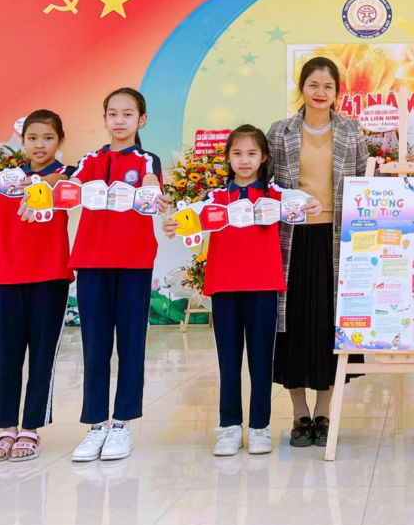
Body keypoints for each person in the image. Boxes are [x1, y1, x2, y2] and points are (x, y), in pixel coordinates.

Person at [164, 126, 318, 456]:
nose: (244, 160)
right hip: (224, 288)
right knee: (228, 360)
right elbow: (185, 218)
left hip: (264, 287)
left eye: (251, 154)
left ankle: (260, 427)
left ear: (263, 158)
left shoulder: (274, 194)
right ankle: (230, 427)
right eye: (237, 154)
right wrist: (173, 222)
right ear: (228, 158)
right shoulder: (214, 199)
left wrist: (310, 203)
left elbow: (301, 200)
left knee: (261, 361)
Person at [268, 57, 369, 448]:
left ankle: (324, 412)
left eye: (328, 86)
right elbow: (266, 184)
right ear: (302, 88)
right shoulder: (280, 131)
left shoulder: (351, 131)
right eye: (313, 84)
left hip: (337, 242)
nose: (320, 92)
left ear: (337, 91)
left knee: (330, 326)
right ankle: (299, 414)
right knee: (291, 326)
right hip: (291, 241)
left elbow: (363, 185)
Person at [68, 87, 169, 462]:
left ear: (141, 120)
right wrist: (39, 192)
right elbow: (68, 186)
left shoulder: (146, 160)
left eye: (128, 114)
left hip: (134, 263)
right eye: (113, 113)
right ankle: (96, 425)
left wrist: (152, 190)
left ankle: (122, 424)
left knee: (130, 344)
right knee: (94, 345)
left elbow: (151, 183)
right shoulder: (90, 160)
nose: (120, 120)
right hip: (92, 263)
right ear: (105, 118)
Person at [0, 110, 74, 463]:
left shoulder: (69, 177)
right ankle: (5, 426)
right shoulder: (5, 179)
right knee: (6, 356)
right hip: (4, 274)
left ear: (60, 141)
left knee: (42, 356)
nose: (40, 145)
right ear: (22, 141)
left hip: (50, 276)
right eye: (32, 138)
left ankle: (31, 427)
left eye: (48, 138)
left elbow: (74, 186)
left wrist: (45, 183)